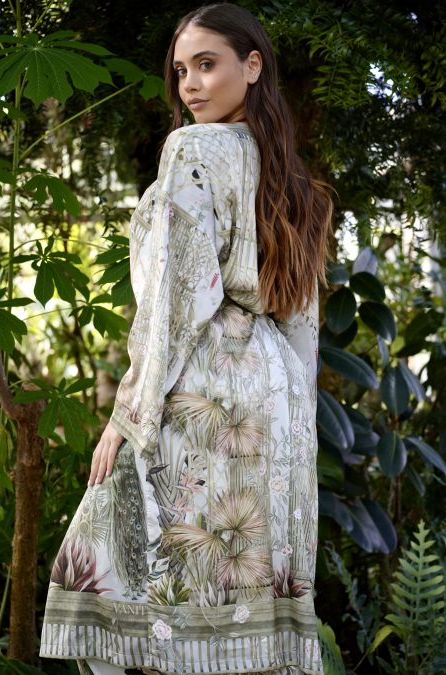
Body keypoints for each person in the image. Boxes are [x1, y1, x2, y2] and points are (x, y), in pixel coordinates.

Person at [40, 3, 332, 674]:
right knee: (235, 588)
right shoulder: (289, 171)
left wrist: (129, 412)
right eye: (180, 70)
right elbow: (301, 318)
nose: (190, 85)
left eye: (207, 64)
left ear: (253, 66)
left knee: (104, 570)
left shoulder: (193, 148)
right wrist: (297, 428)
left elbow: (179, 292)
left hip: (198, 383)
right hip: (274, 398)